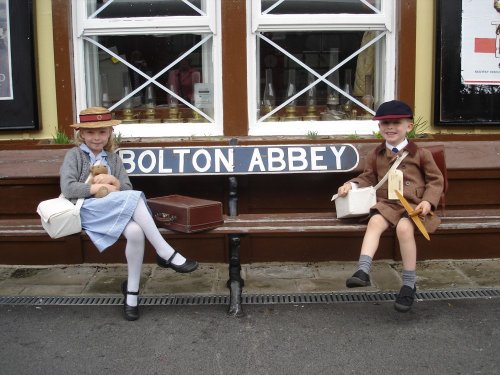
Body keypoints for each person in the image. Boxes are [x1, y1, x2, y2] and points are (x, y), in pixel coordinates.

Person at [60, 107, 198, 321]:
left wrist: (113, 183)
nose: (96, 138)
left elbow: (125, 186)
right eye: (90, 133)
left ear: (109, 134)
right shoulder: (75, 155)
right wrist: (97, 189)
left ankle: (131, 294)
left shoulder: (113, 158)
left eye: (102, 132)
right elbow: (68, 188)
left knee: (135, 231)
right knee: (135, 197)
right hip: (86, 211)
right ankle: (165, 252)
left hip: (112, 211)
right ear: (81, 134)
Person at [336, 100, 444, 312]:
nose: (390, 127)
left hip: (414, 205)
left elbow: (436, 180)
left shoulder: (421, 154)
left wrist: (427, 201)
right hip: (387, 203)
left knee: (404, 229)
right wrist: (351, 184)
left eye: (396, 122)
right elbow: (368, 178)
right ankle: (363, 271)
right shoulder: (376, 154)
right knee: (375, 222)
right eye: (385, 123)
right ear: (379, 127)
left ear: (409, 127)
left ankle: (408, 284)